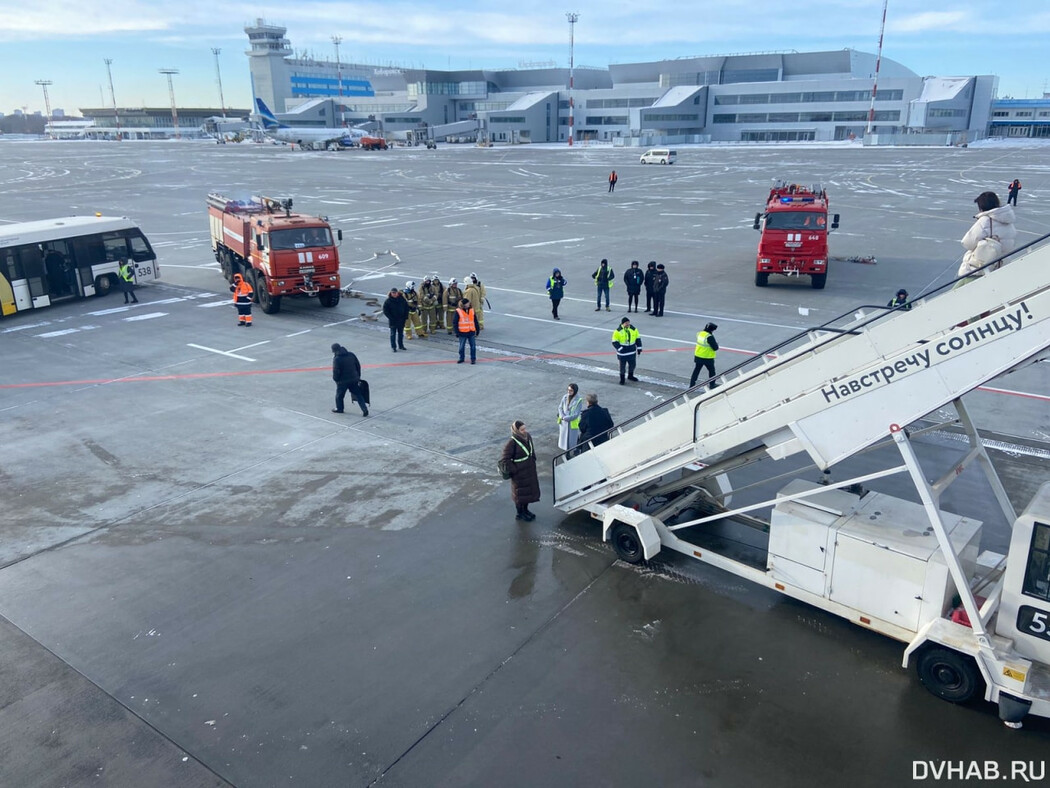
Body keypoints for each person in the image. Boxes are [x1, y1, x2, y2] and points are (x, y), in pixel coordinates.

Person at [958, 191, 1017, 281]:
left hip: (981, 267)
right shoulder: (1008, 222)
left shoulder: (985, 221)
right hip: (1001, 265)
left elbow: (967, 243)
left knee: (960, 288)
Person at [501, 420, 540, 521]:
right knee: (519, 495)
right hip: (519, 474)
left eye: (525, 428)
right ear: (516, 430)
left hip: (529, 471)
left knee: (527, 494)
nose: (524, 431)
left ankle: (525, 511)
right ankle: (519, 513)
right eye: (522, 429)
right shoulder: (512, 442)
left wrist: (533, 459)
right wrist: (515, 470)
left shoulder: (528, 436)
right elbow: (505, 459)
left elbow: (531, 449)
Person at [331, 343, 368, 417]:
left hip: (342, 381)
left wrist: (336, 379)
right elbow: (358, 365)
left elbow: (336, 371)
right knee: (358, 394)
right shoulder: (351, 354)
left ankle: (340, 408)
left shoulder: (337, 359)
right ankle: (364, 409)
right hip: (354, 379)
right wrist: (358, 376)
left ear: (334, 351)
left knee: (339, 396)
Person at [611, 316, 642, 385]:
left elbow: (638, 339)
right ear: (622, 323)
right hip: (623, 353)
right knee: (622, 367)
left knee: (632, 365)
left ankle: (630, 376)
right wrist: (620, 349)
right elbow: (614, 341)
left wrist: (639, 348)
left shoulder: (634, 329)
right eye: (626, 323)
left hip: (631, 351)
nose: (628, 324)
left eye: (628, 322)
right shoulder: (618, 331)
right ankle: (622, 379)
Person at [689, 322, 719, 389]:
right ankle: (712, 384)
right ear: (712, 330)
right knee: (712, 371)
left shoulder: (699, 334)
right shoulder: (709, 337)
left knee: (696, 370)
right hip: (707, 357)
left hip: (698, 356)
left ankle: (692, 385)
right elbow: (715, 348)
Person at [557, 383, 583, 451]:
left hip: (572, 423)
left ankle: (573, 452)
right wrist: (562, 416)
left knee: (571, 441)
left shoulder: (578, 400)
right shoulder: (565, 397)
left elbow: (576, 414)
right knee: (564, 440)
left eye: (571, 390)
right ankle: (567, 453)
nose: (569, 391)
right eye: (568, 390)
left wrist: (566, 418)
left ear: (575, 391)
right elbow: (560, 407)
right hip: (564, 423)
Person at [382, 286, 409, 351]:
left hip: (401, 320)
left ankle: (401, 345)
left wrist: (405, 316)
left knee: (400, 334)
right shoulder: (388, 301)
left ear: (397, 293)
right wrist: (391, 318)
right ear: (391, 293)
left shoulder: (402, 299)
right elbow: (385, 311)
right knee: (393, 334)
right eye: (392, 293)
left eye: (395, 292)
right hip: (393, 320)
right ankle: (393, 347)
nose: (394, 294)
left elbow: (406, 308)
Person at [454, 297, 478, 364]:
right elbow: (455, 322)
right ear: (464, 304)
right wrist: (457, 332)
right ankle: (461, 358)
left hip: (471, 331)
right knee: (461, 347)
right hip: (463, 332)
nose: (469, 304)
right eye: (468, 303)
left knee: (473, 346)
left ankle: (473, 359)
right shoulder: (458, 311)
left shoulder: (471, 310)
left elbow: (475, 320)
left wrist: (477, 329)